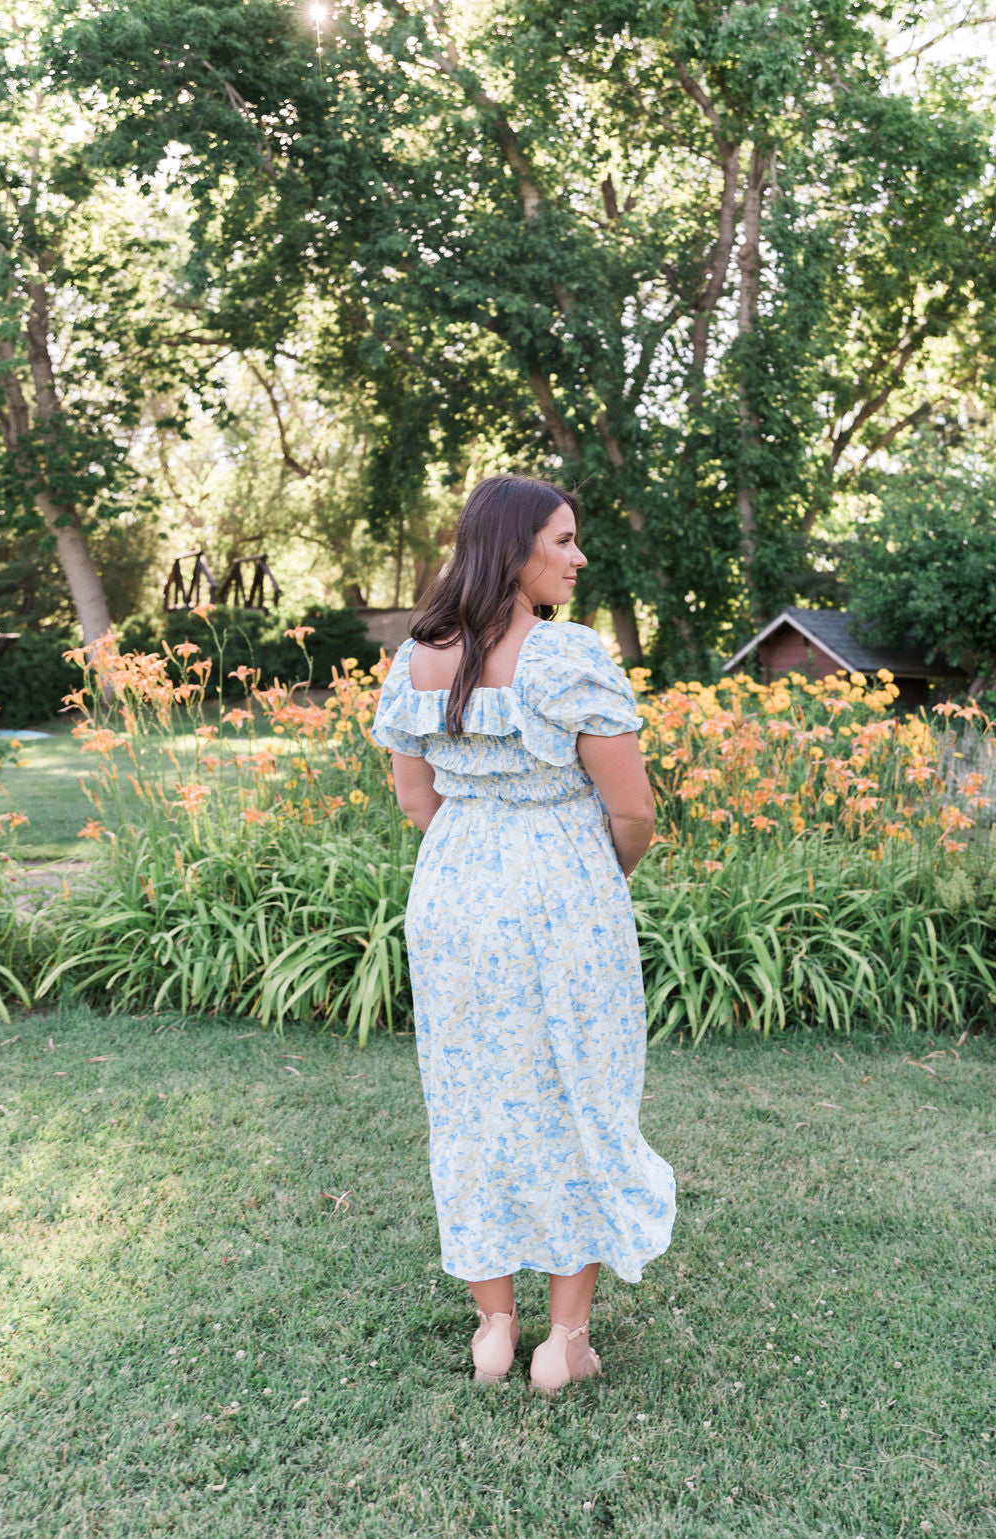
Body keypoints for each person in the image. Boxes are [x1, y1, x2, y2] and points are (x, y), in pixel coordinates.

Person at [372, 474, 676, 1393]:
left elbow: (415, 801)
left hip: (455, 895)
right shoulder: (565, 657)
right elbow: (634, 813)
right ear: (515, 550)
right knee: (581, 1091)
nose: (578, 557)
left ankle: (494, 1329)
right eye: (564, 540)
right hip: (559, 892)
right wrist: (589, 881)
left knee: (472, 1101)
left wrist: (483, 853)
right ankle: (564, 1342)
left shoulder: (415, 656)